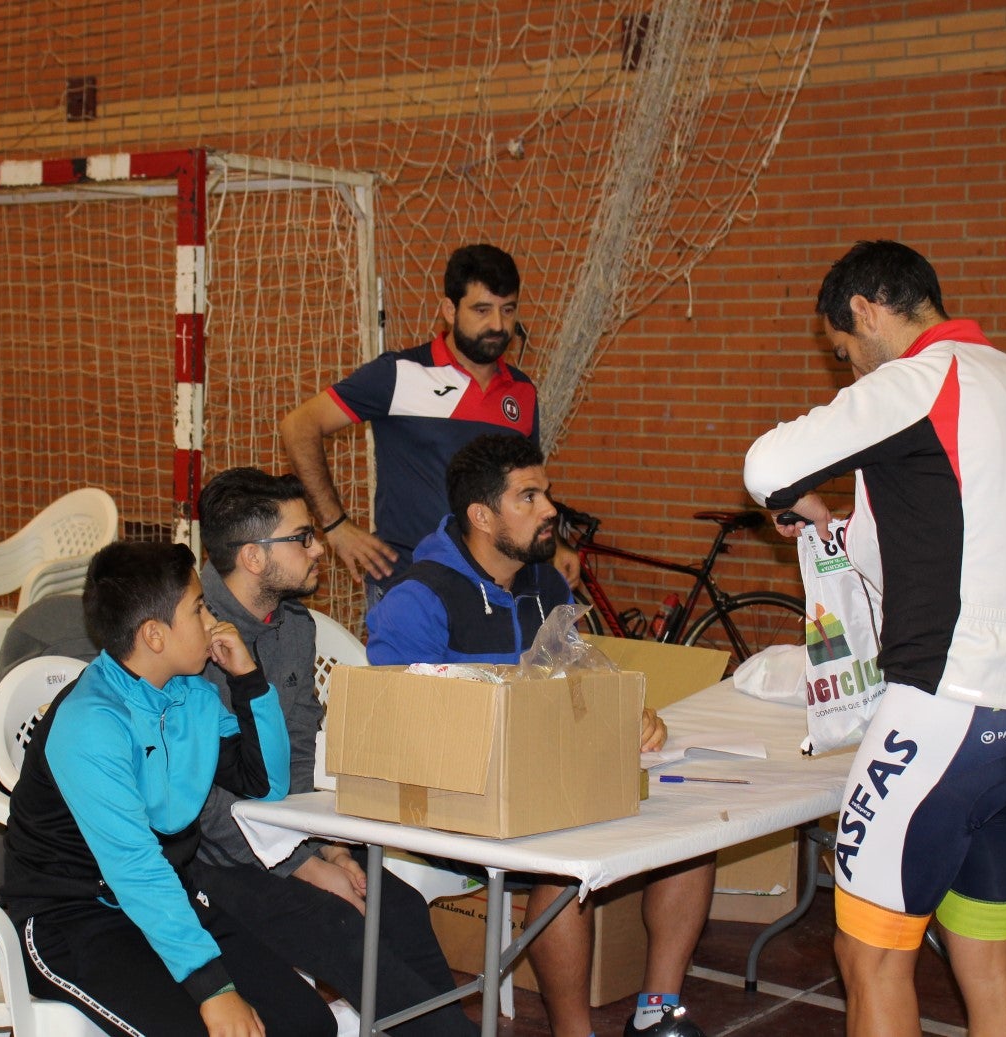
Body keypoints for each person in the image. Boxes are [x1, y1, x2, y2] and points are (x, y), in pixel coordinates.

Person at [743, 240, 1006, 1037]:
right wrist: (830, 518)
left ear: (867, 311)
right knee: (984, 954)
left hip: (946, 706)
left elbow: (766, 464)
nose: (849, 376)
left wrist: (794, 493)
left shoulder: (916, 379)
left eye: (844, 354)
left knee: (870, 954)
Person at [368, 433, 714, 1037]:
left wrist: (629, 714)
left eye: (546, 492)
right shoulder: (416, 599)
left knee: (692, 833)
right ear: (481, 516)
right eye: (528, 497)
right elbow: (403, 728)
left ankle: (657, 1014)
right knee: (561, 868)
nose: (550, 508)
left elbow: (575, 680)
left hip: (544, 781)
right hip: (450, 801)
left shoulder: (544, 583)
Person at [191, 466, 478, 1036]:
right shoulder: (193, 636)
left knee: (396, 908)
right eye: (301, 538)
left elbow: (300, 757)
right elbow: (200, 802)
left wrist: (325, 848)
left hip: (281, 837)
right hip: (208, 860)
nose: (318, 548)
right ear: (252, 557)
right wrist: (302, 864)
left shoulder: (294, 628)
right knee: (343, 926)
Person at [0, 539, 321, 1036]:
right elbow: (134, 867)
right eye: (198, 608)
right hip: (72, 919)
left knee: (308, 1023)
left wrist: (248, 680)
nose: (213, 620)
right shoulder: (91, 724)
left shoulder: (189, 692)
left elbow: (265, 785)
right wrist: (214, 990)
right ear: (154, 635)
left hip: (163, 900)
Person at [280, 242, 575, 597]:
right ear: (449, 310)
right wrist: (336, 525)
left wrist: (553, 544)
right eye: (482, 310)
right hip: (410, 586)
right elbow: (299, 425)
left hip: (495, 592)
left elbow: (527, 486)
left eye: (507, 310)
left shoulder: (523, 391)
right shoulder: (399, 374)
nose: (498, 324)